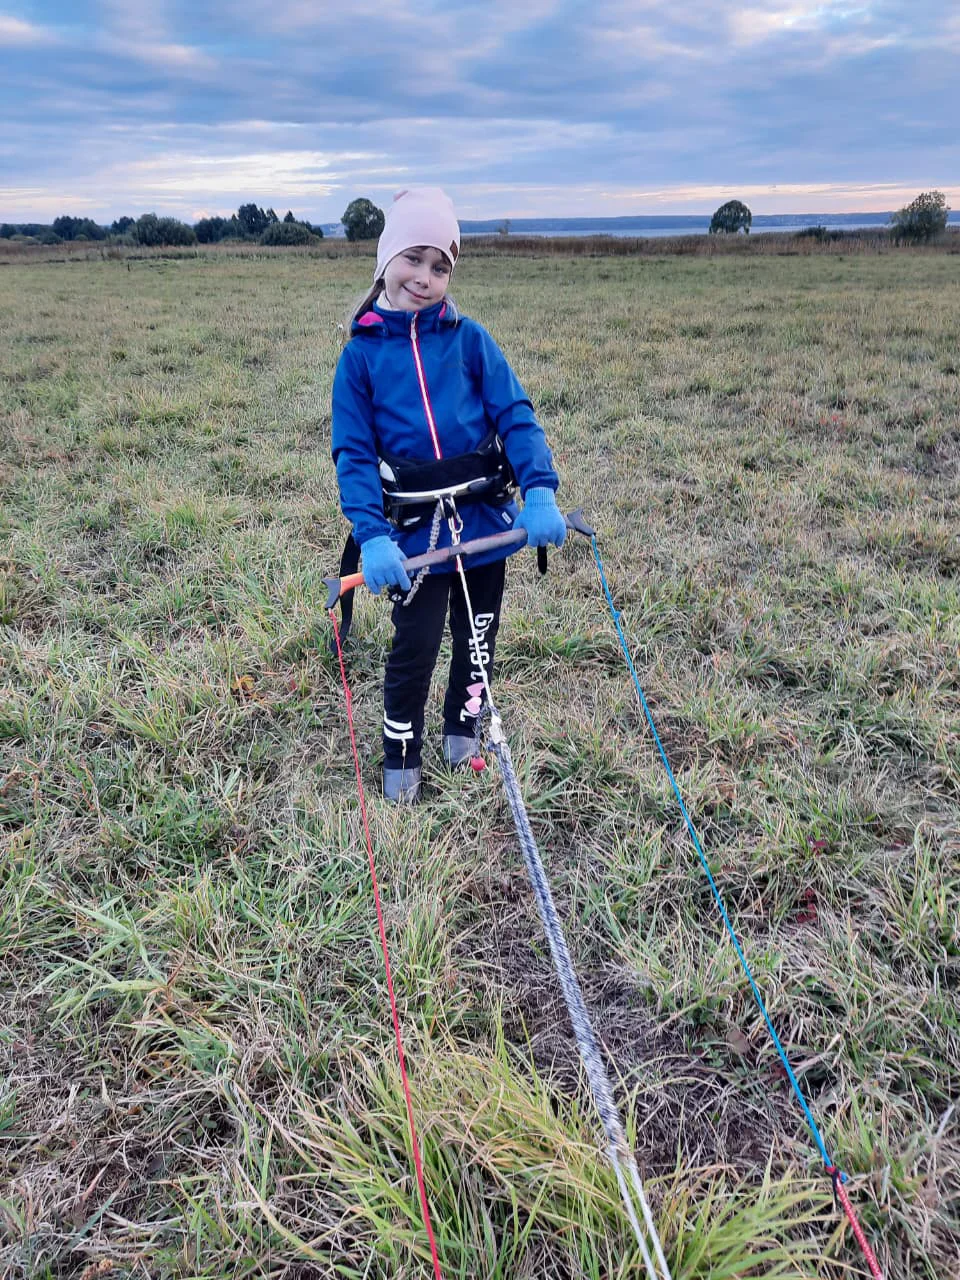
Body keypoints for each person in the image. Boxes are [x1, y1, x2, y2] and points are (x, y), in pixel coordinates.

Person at [331, 187, 566, 803]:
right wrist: (373, 536)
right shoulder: (359, 358)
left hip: (486, 521)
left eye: (442, 266)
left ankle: (463, 731)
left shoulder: (471, 340)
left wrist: (538, 489)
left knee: (479, 637)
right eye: (414, 258)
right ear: (386, 259)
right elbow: (353, 456)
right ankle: (400, 754)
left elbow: (516, 415)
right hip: (411, 533)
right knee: (417, 645)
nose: (425, 278)